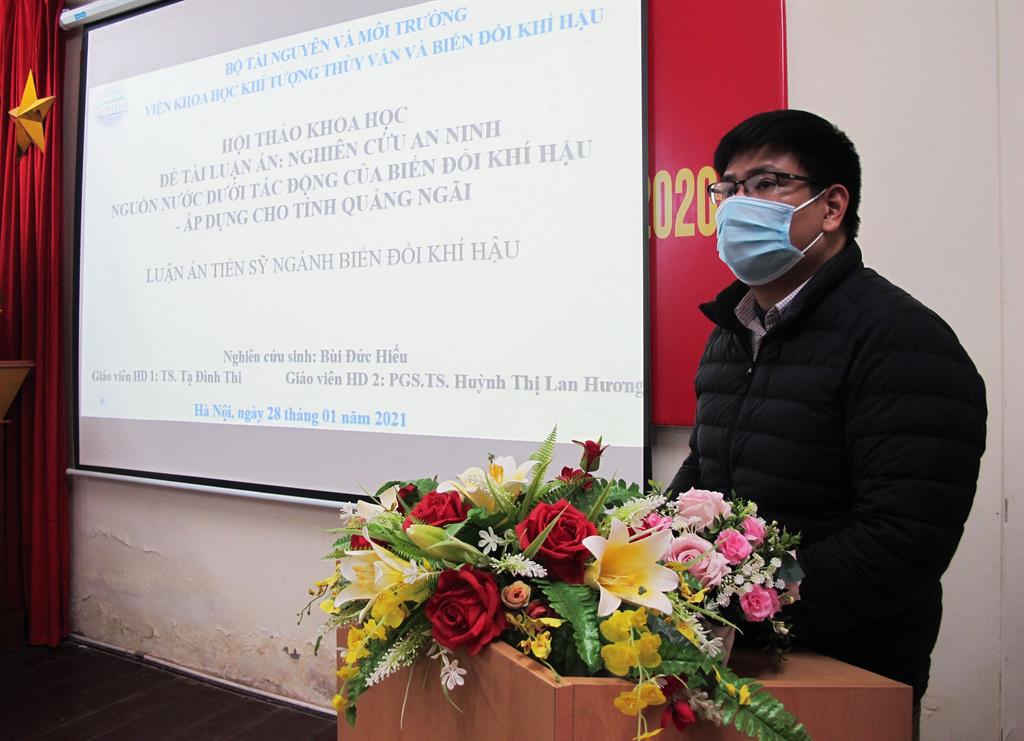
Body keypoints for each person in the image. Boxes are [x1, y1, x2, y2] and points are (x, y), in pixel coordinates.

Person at [667, 110, 987, 731]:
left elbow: (901, 541)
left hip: (845, 670)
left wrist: (748, 605)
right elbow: (705, 470)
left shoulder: (902, 339)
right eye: (728, 189)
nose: (738, 205)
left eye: (766, 183)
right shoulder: (732, 333)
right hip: (729, 658)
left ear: (832, 206)